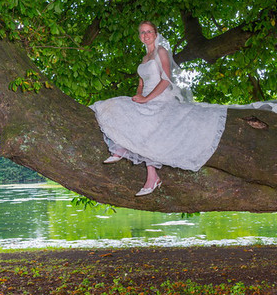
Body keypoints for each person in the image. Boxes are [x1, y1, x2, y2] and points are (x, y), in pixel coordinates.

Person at [90, 21, 227, 196]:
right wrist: (138, 97)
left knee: (150, 127)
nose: (145, 35)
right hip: (146, 98)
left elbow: (166, 79)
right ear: (140, 36)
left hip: (161, 98)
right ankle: (122, 149)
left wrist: (147, 98)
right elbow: (141, 83)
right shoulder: (144, 58)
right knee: (114, 105)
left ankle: (150, 174)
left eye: (149, 32)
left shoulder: (160, 51)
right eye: (142, 32)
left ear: (155, 34)